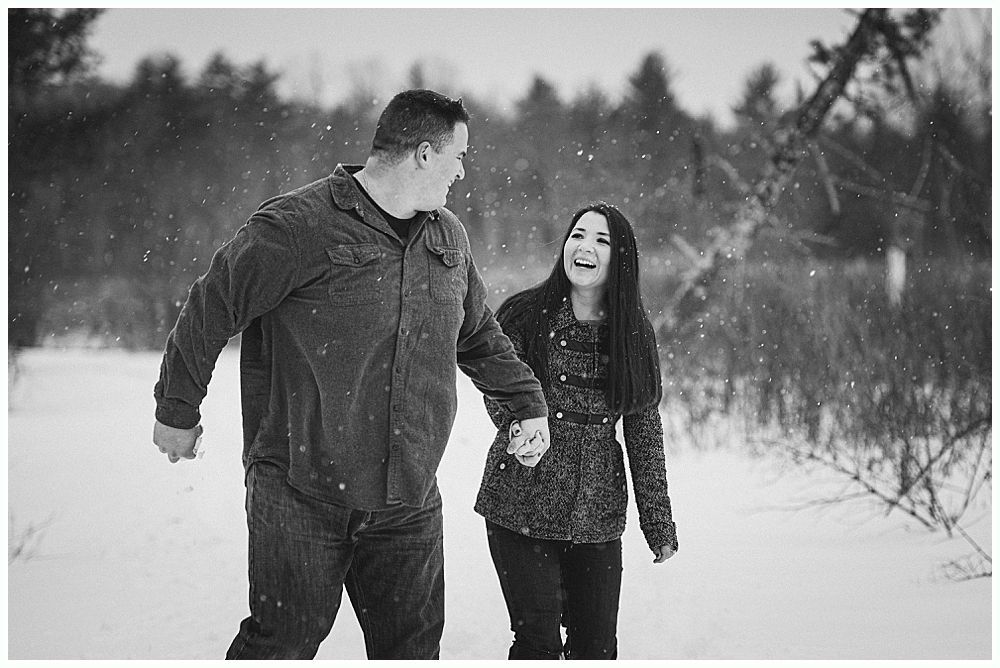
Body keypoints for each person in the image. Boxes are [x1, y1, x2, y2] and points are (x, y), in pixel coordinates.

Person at [151, 89, 551, 660]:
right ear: (423, 154)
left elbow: (477, 333)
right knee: (281, 645)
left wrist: (525, 401)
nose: (463, 171)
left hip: (407, 498)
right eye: (459, 156)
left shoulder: (448, 237)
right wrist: (176, 410)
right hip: (302, 489)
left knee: (411, 651)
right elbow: (211, 307)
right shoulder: (298, 226)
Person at [474, 201, 678, 660]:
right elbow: (498, 386)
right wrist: (519, 428)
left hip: (597, 509)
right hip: (520, 498)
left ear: (619, 259)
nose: (585, 247)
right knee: (537, 644)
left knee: (596, 647)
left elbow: (643, 431)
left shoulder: (632, 333)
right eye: (578, 235)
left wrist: (657, 519)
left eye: (602, 240)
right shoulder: (526, 313)